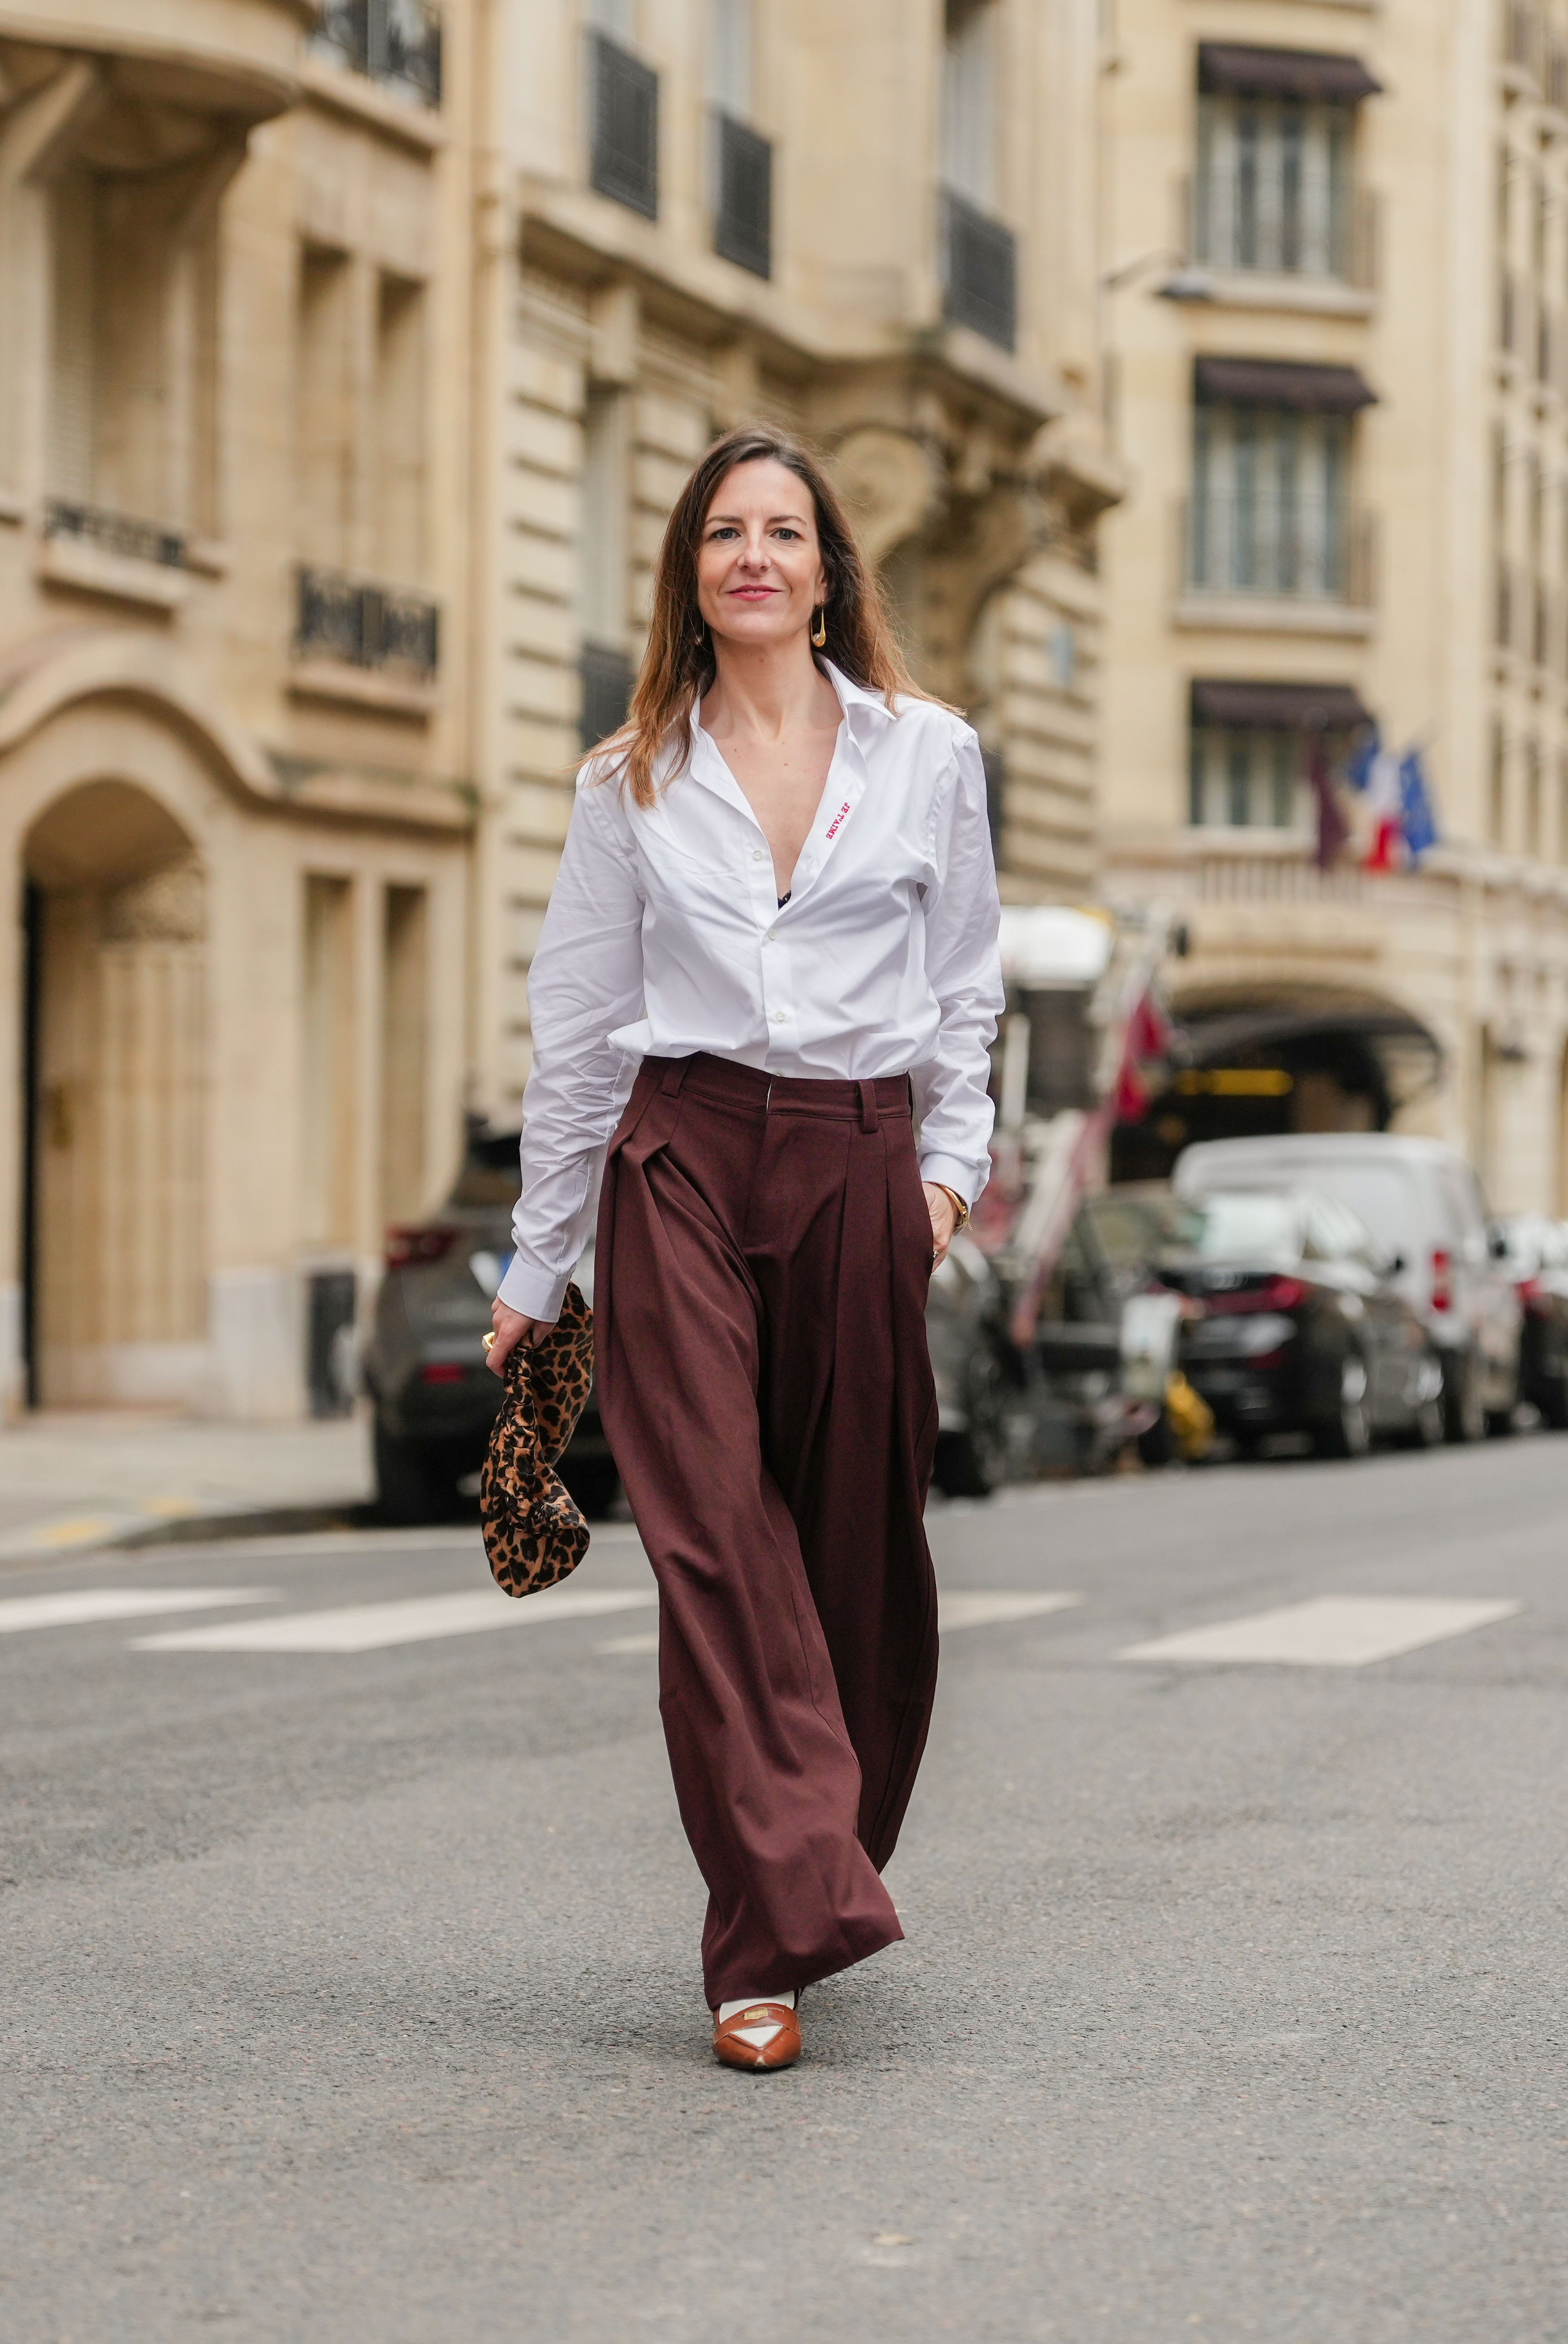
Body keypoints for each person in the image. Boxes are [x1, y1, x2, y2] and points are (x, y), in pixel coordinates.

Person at [483, 424, 1001, 2076]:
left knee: (853, 1551)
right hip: (680, 1155)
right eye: (724, 533)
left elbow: (965, 987)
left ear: (828, 570)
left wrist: (943, 1180)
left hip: (858, 1162)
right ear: (688, 575)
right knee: (710, 1536)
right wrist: (537, 1260)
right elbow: (578, 1027)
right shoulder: (628, 776)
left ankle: (814, 1850)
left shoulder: (928, 753)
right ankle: (764, 1934)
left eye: (783, 531)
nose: (754, 557)